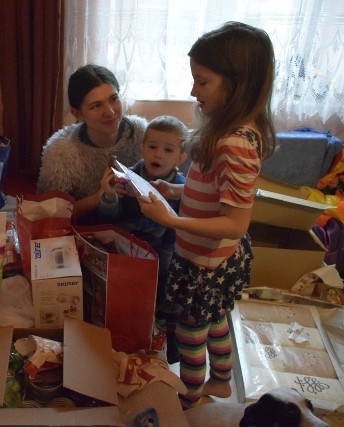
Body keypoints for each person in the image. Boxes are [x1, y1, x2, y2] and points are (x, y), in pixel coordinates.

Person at [137, 22, 277, 409]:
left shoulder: (235, 143)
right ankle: (219, 381)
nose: (193, 91)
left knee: (190, 328)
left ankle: (191, 393)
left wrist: (172, 220)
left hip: (207, 259)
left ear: (236, 83)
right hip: (216, 255)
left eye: (202, 82)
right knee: (215, 318)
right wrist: (176, 191)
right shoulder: (228, 130)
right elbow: (216, 194)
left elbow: (236, 221)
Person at [98, 115, 189, 362]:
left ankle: (163, 327)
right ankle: (121, 325)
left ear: (180, 157)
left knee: (168, 280)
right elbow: (112, 216)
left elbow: (179, 232)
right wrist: (108, 195)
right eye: (152, 147)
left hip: (162, 250)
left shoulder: (181, 187)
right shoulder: (128, 176)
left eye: (168, 150)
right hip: (126, 242)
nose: (158, 154)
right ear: (142, 148)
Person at [37, 64, 147, 224]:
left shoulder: (141, 134)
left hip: (140, 228)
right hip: (86, 231)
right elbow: (51, 214)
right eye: (96, 105)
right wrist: (99, 197)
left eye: (114, 99)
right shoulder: (61, 152)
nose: (110, 112)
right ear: (77, 113)